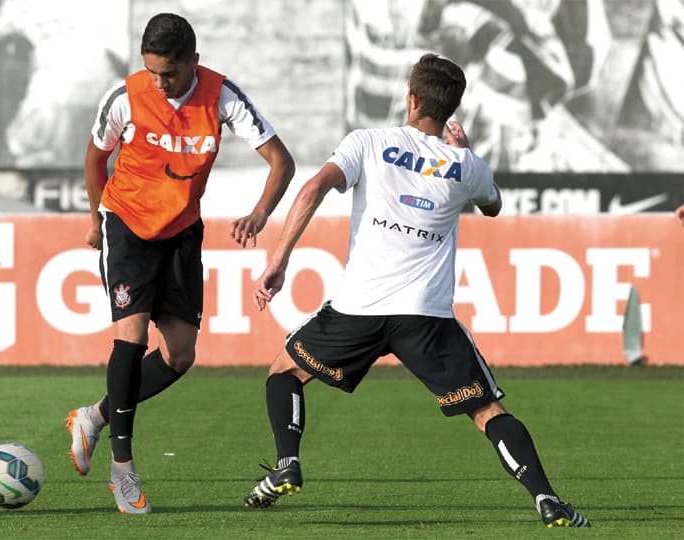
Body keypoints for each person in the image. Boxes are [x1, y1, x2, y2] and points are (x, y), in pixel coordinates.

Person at [242, 53, 590, 528]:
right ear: (450, 110)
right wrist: (465, 152)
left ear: (411, 98)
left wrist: (279, 260)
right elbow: (493, 206)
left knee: (284, 371)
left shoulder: (367, 142)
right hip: (425, 317)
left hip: (357, 309)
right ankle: (547, 499)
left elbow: (314, 189)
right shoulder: (466, 166)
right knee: (488, 410)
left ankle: (288, 463)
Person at [65, 12, 294, 514]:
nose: (159, 82)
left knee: (180, 356)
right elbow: (94, 157)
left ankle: (95, 416)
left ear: (193, 60)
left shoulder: (222, 96)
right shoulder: (125, 97)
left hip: (182, 232)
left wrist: (259, 213)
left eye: (168, 73)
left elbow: (282, 160)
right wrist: (93, 217)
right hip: (125, 224)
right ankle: (122, 470)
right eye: (151, 72)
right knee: (131, 337)